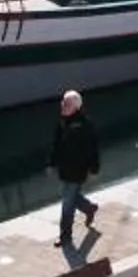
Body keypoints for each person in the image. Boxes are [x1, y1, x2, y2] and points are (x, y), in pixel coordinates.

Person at [50, 89, 101, 249]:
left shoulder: (84, 125)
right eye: (63, 102)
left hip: (78, 169)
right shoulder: (62, 122)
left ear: (75, 107)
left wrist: (94, 168)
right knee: (71, 197)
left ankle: (65, 236)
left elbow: (92, 148)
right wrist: (51, 163)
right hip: (64, 169)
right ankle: (89, 208)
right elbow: (56, 145)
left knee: (67, 203)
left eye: (66, 103)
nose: (62, 105)